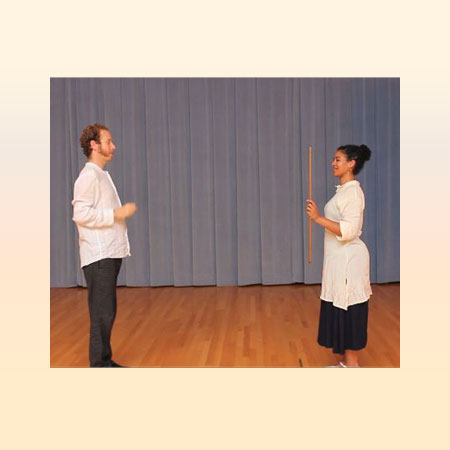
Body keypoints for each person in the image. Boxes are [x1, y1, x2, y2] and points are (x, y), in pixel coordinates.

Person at [72, 123, 137, 367]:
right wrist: (116, 213)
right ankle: (99, 366)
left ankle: (104, 362)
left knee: (106, 312)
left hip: (108, 254)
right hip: (99, 257)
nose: (113, 146)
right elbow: (81, 214)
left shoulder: (100, 175)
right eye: (108, 141)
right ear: (94, 145)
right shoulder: (88, 177)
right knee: (102, 313)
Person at [306, 144, 372, 367]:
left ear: (351, 163)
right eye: (333, 159)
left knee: (349, 310)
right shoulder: (343, 191)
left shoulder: (353, 193)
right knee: (341, 310)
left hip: (349, 262)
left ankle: (352, 366)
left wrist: (318, 218)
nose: (333, 163)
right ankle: (346, 364)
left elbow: (349, 231)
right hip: (339, 261)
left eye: (338, 159)